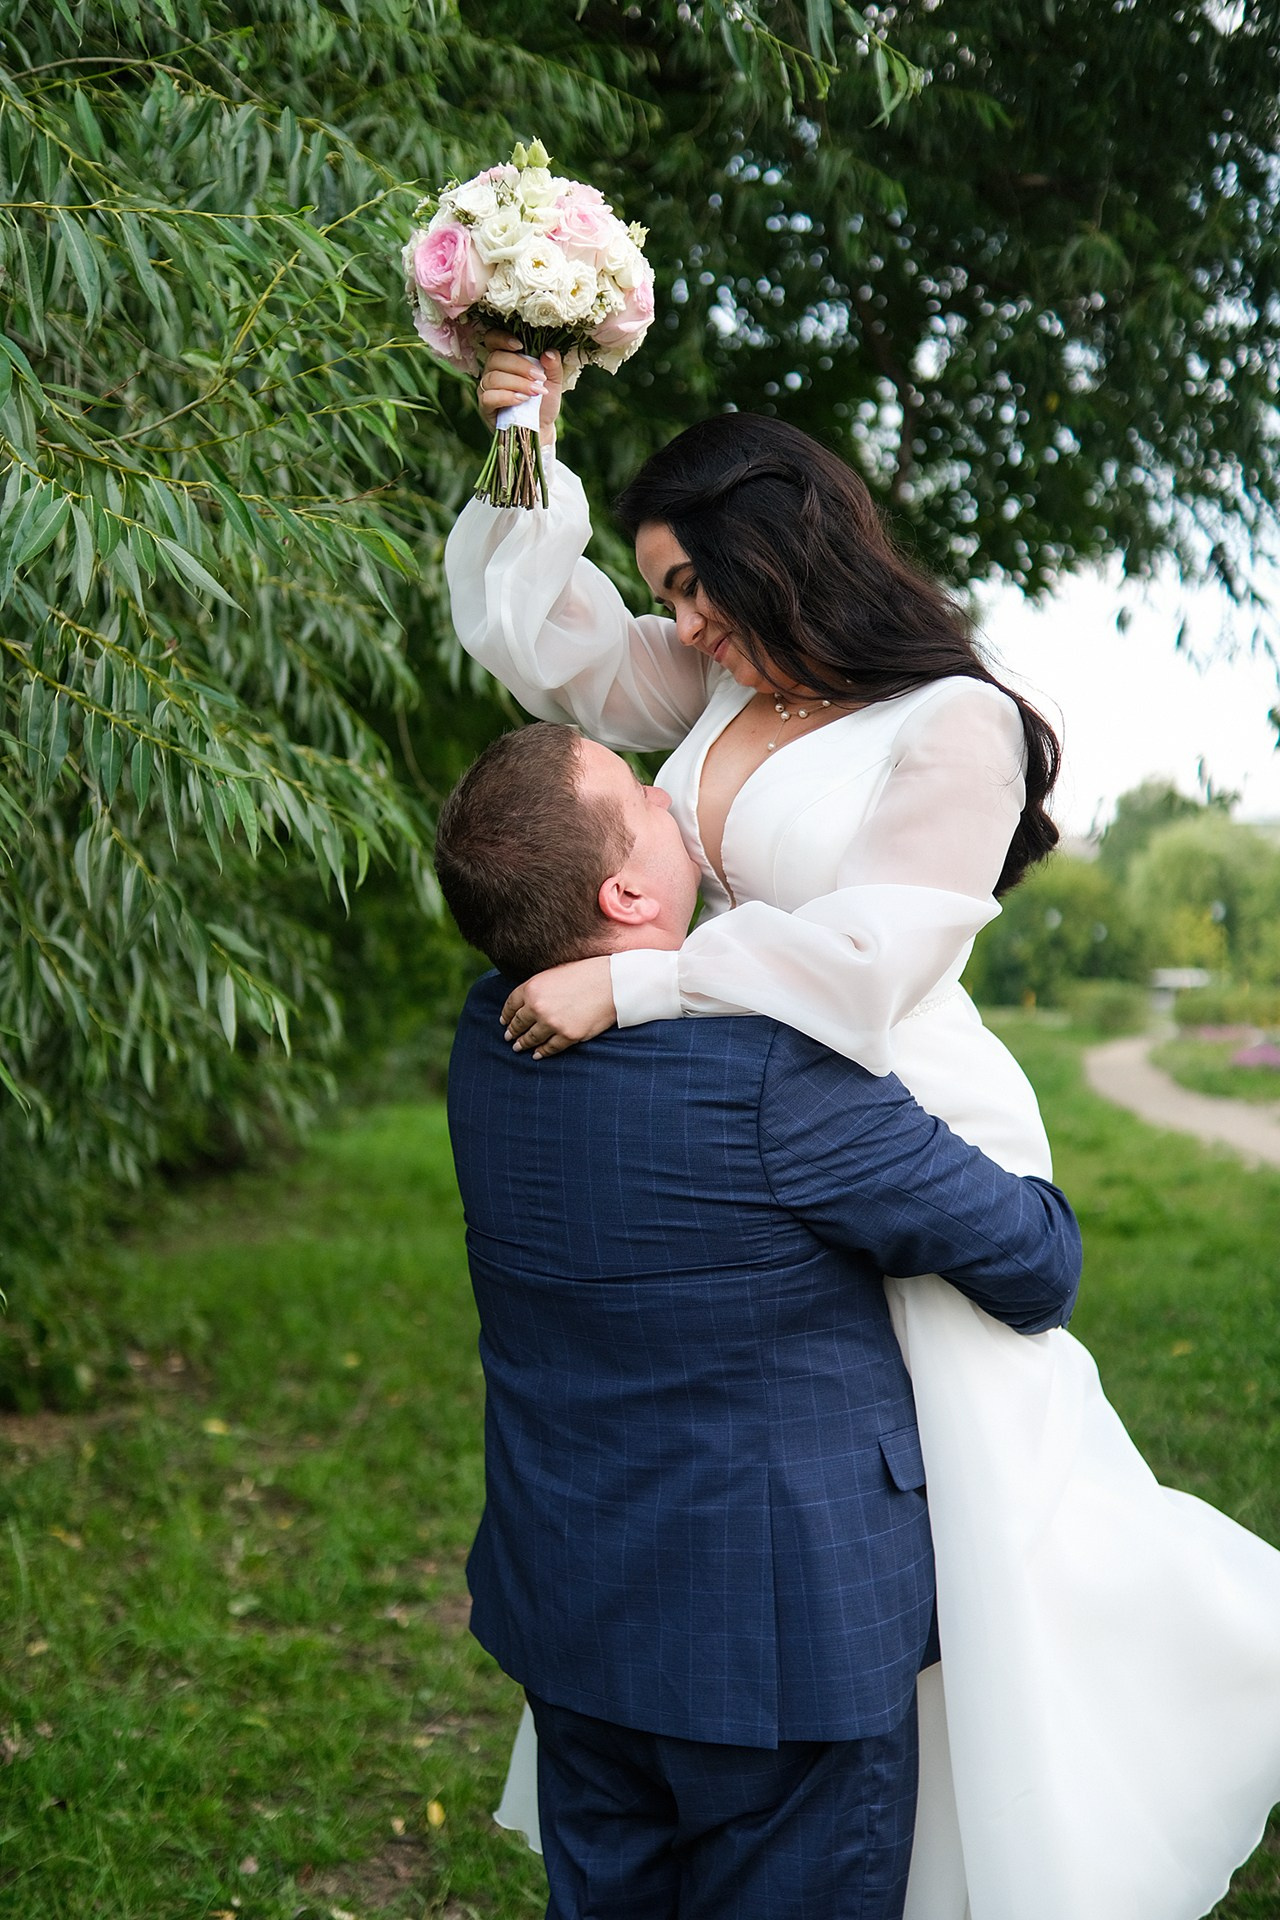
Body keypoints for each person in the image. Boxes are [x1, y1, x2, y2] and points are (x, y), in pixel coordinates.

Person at [443, 338, 1280, 1920]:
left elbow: (869, 961)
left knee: (957, 1516)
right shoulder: (724, 677)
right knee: (787, 1468)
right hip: (732, 1116)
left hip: (885, 1103)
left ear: (776, 551)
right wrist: (519, 435)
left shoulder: (956, 725)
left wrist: (638, 985)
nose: (680, 625)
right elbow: (547, 654)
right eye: (666, 594)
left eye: (692, 586)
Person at [435, 720, 1084, 1920]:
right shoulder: (775, 1079)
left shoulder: (489, 1036)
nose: (669, 792)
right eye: (639, 794)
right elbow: (1036, 1265)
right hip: (779, 1652)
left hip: (571, 1607)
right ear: (626, 894)